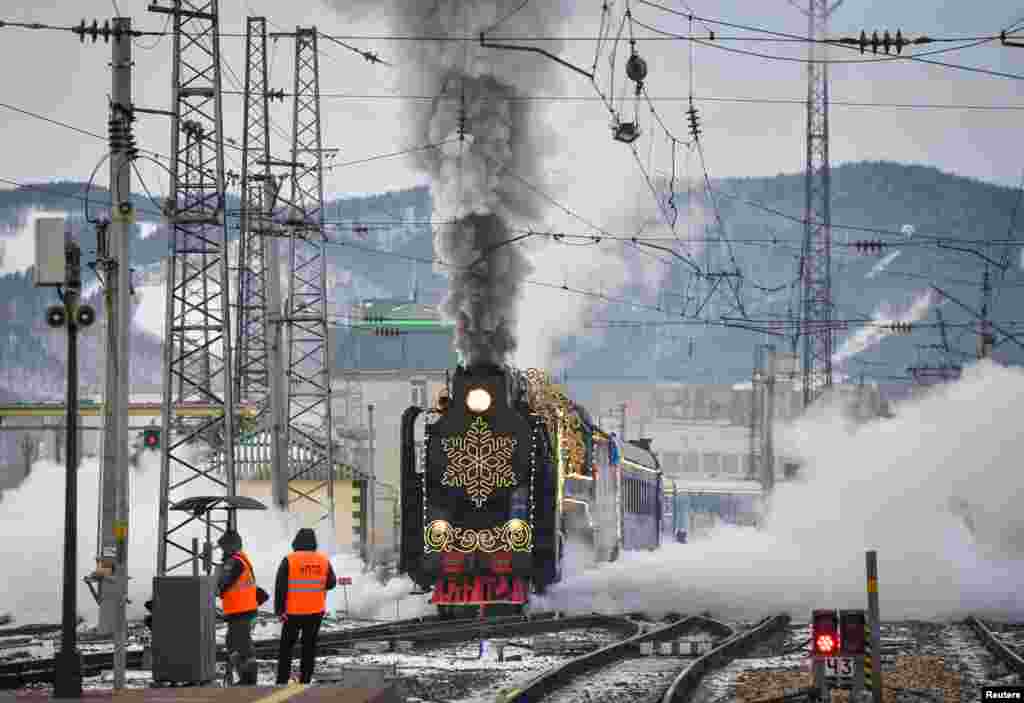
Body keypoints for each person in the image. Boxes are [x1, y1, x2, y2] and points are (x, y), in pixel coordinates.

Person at [275, 528, 337, 685]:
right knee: (309, 648)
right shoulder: (323, 560)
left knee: (286, 648)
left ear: (296, 542)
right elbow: (331, 583)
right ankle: (305, 681)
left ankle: (282, 681)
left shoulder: (289, 560)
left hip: (292, 613)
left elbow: (280, 587)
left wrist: (280, 610)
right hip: (315, 612)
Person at [217, 530, 259, 686]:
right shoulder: (242, 560)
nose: (222, 551)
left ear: (231, 546)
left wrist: (217, 579)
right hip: (242, 609)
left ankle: (248, 680)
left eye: (224, 548)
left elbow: (223, 585)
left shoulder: (234, 562)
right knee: (235, 643)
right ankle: (246, 678)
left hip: (241, 610)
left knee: (240, 645)